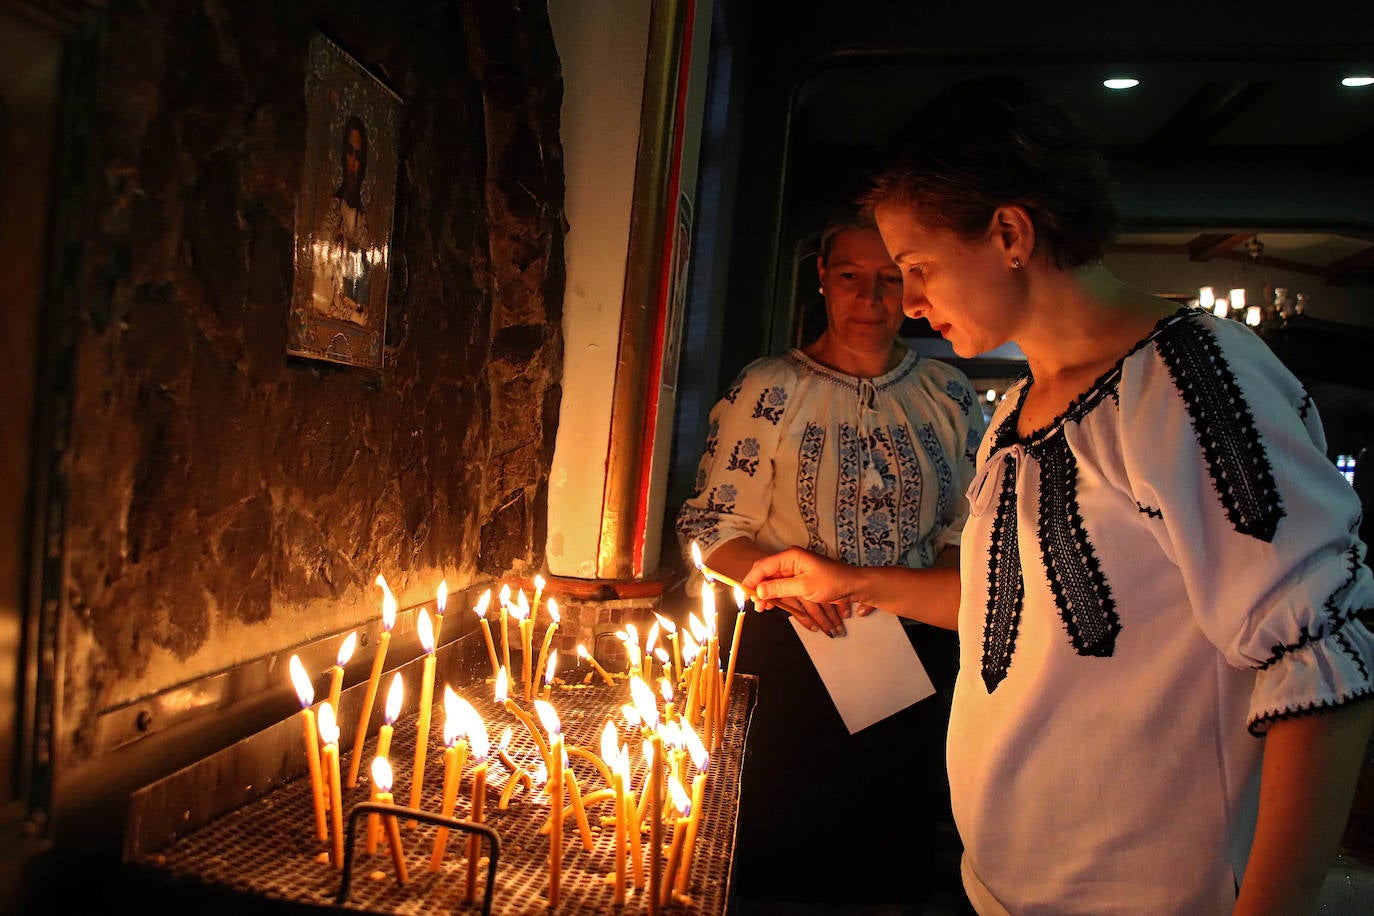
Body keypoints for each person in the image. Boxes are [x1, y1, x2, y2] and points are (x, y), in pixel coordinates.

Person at [738, 76, 1374, 916]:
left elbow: (1320, 662)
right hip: (1008, 887)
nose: (912, 301)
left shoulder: (1191, 381)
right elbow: (1016, 604)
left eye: (918, 267)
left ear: (1009, 232)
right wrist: (850, 582)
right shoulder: (1014, 415)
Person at [676, 210, 987, 906]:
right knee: (776, 839)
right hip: (789, 651)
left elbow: (969, 532)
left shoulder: (948, 395)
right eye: (851, 277)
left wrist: (917, 592)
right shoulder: (769, 390)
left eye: (890, 279)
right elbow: (710, 526)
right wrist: (779, 581)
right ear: (821, 277)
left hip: (913, 655)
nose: (870, 300)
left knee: (888, 841)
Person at [311, 114, 373, 325]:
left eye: (359, 156)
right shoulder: (332, 210)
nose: (354, 163)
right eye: (349, 153)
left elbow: (363, 273)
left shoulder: (360, 219)